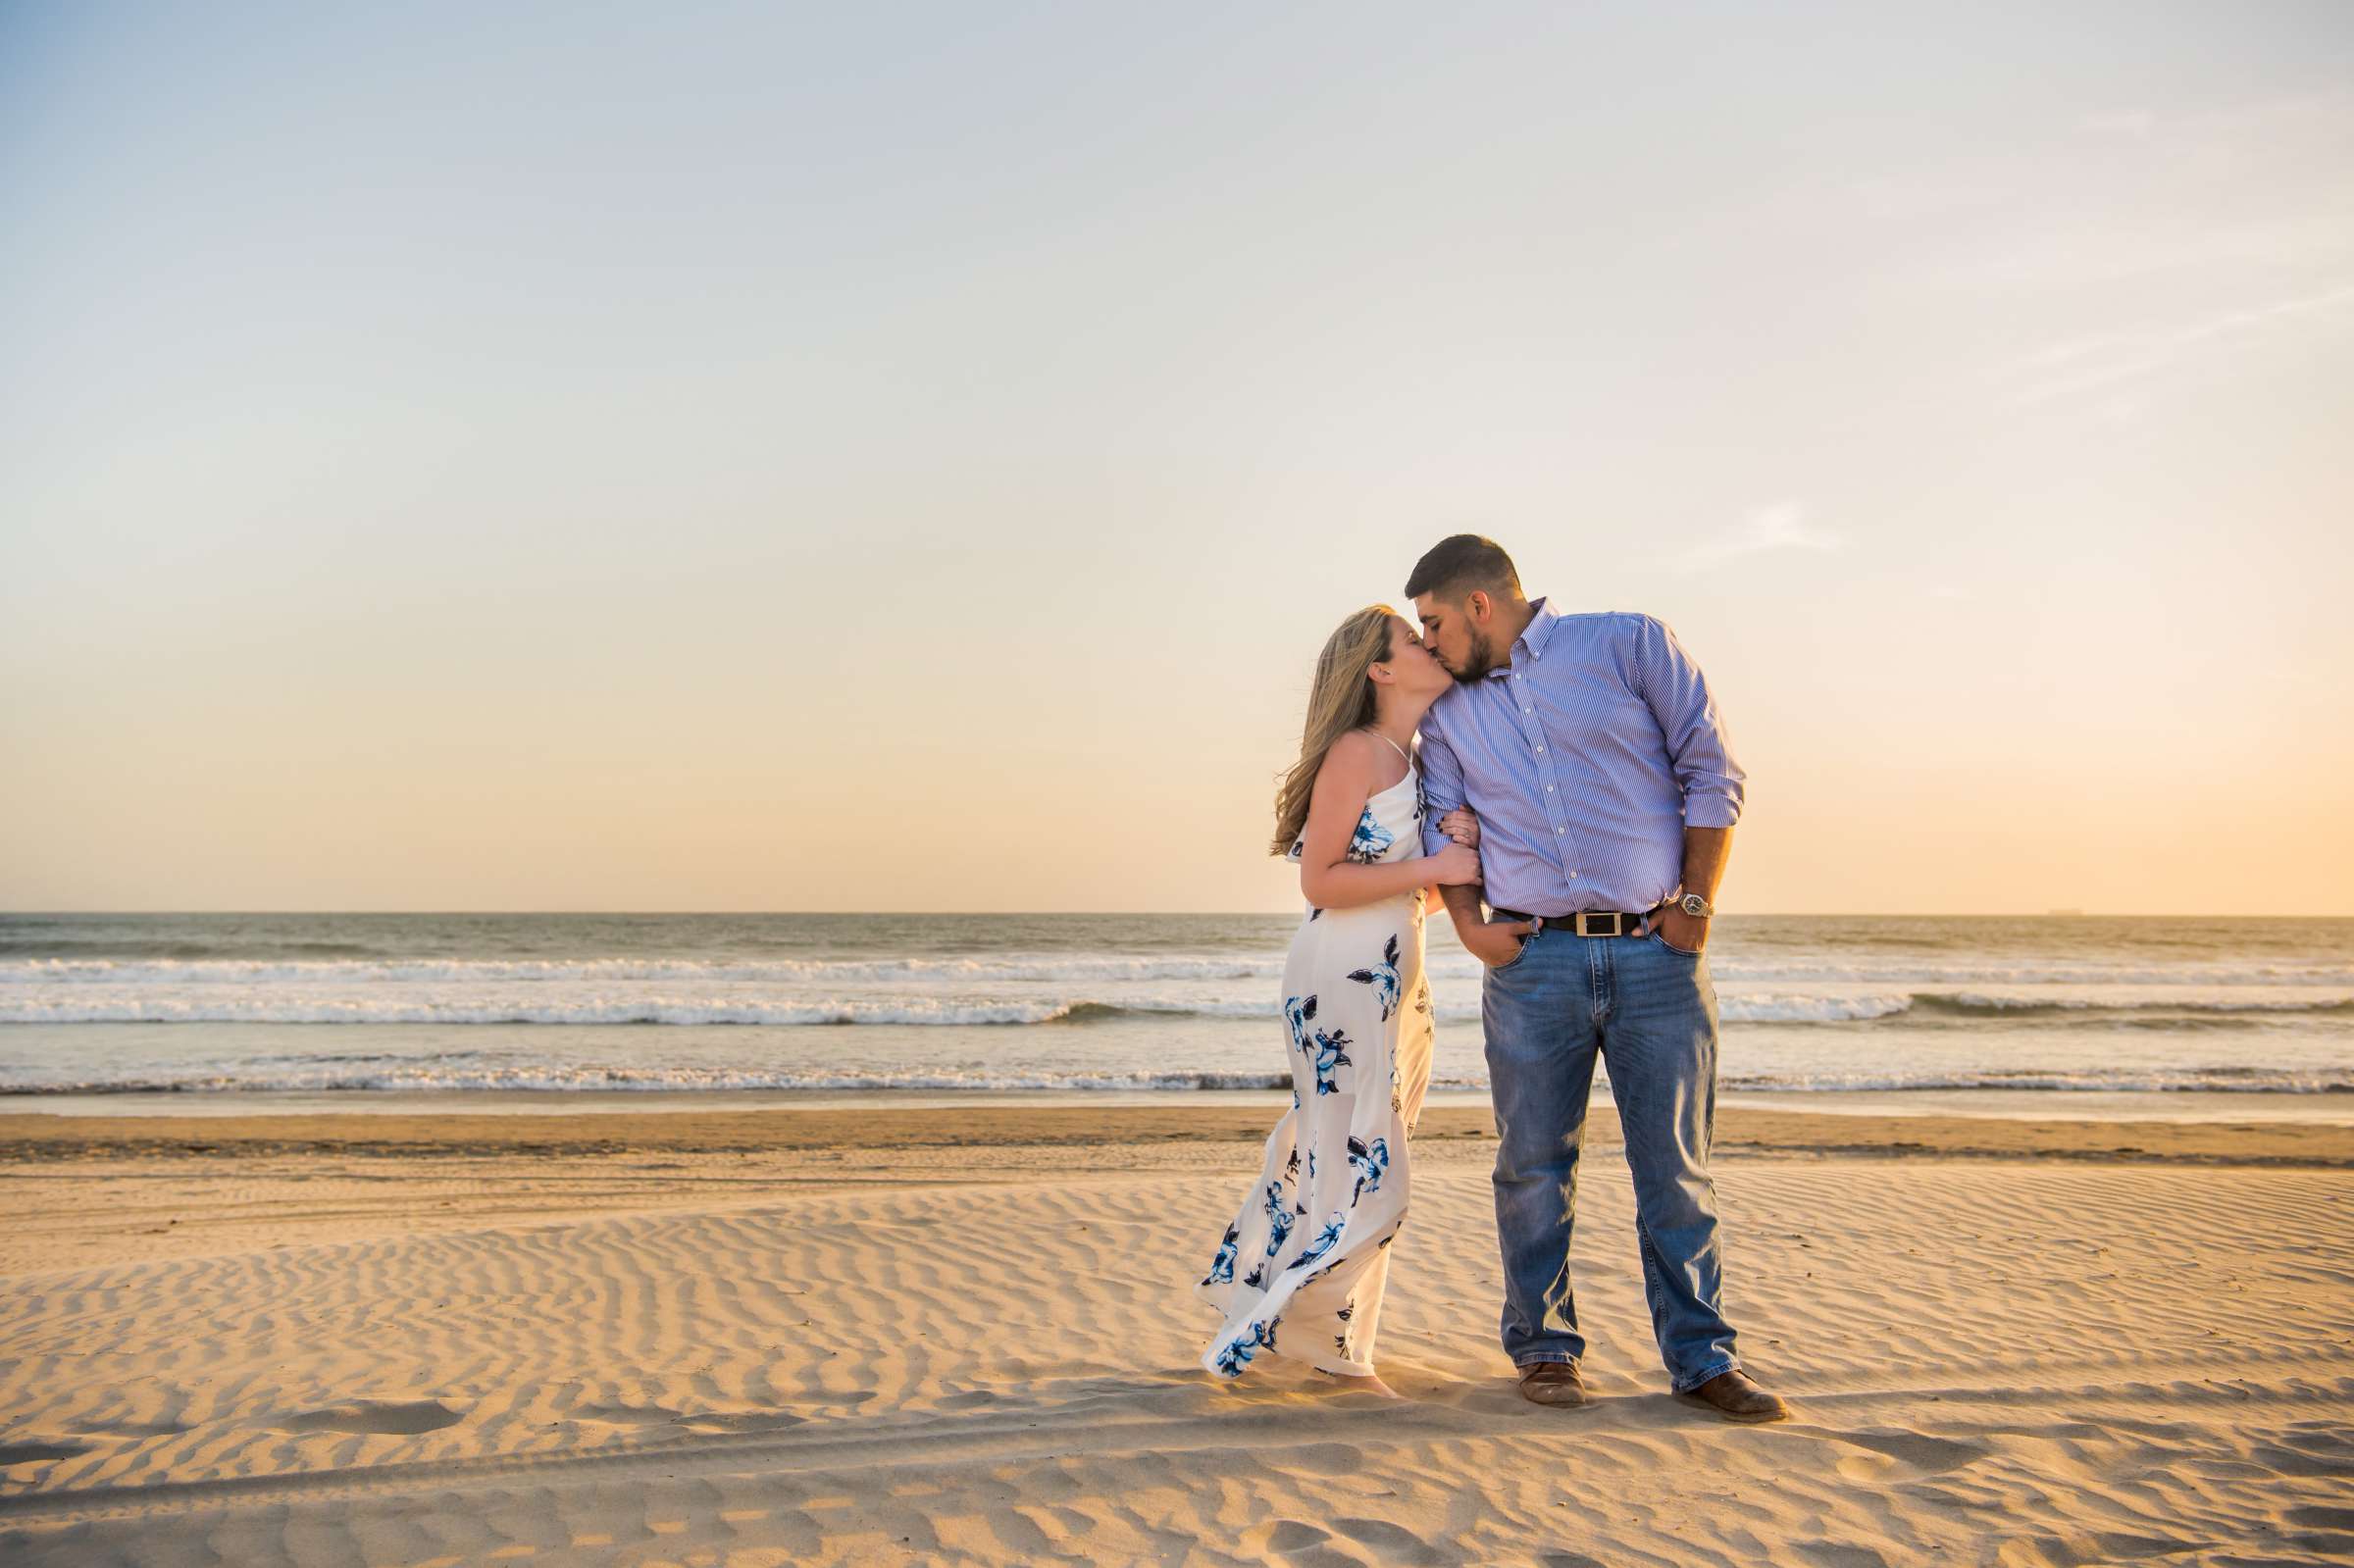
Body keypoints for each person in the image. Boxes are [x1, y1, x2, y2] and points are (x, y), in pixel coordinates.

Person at [1407, 533, 1788, 1422]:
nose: (1425, 644)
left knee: (1677, 1170)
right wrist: (1471, 928)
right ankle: (1544, 1349)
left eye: (1432, 623)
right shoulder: (1449, 717)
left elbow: (1709, 768)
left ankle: (1702, 1361)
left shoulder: (1626, 643)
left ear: (1478, 606)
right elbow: (1444, 824)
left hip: (1658, 955)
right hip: (1534, 963)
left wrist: (1696, 901)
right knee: (1532, 1166)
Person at [1194, 605, 1482, 1397]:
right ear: (1380, 671)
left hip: (1393, 976)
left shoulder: (1412, 756)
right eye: (1412, 640)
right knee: (1362, 1165)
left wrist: (1458, 857)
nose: (1431, 644)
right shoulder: (1357, 752)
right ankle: (1301, 1334)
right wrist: (1439, 868)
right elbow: (1321, 882)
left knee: (1345, 1157)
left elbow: (1400, 894)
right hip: (1342, 976)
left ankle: (1329, 1344)